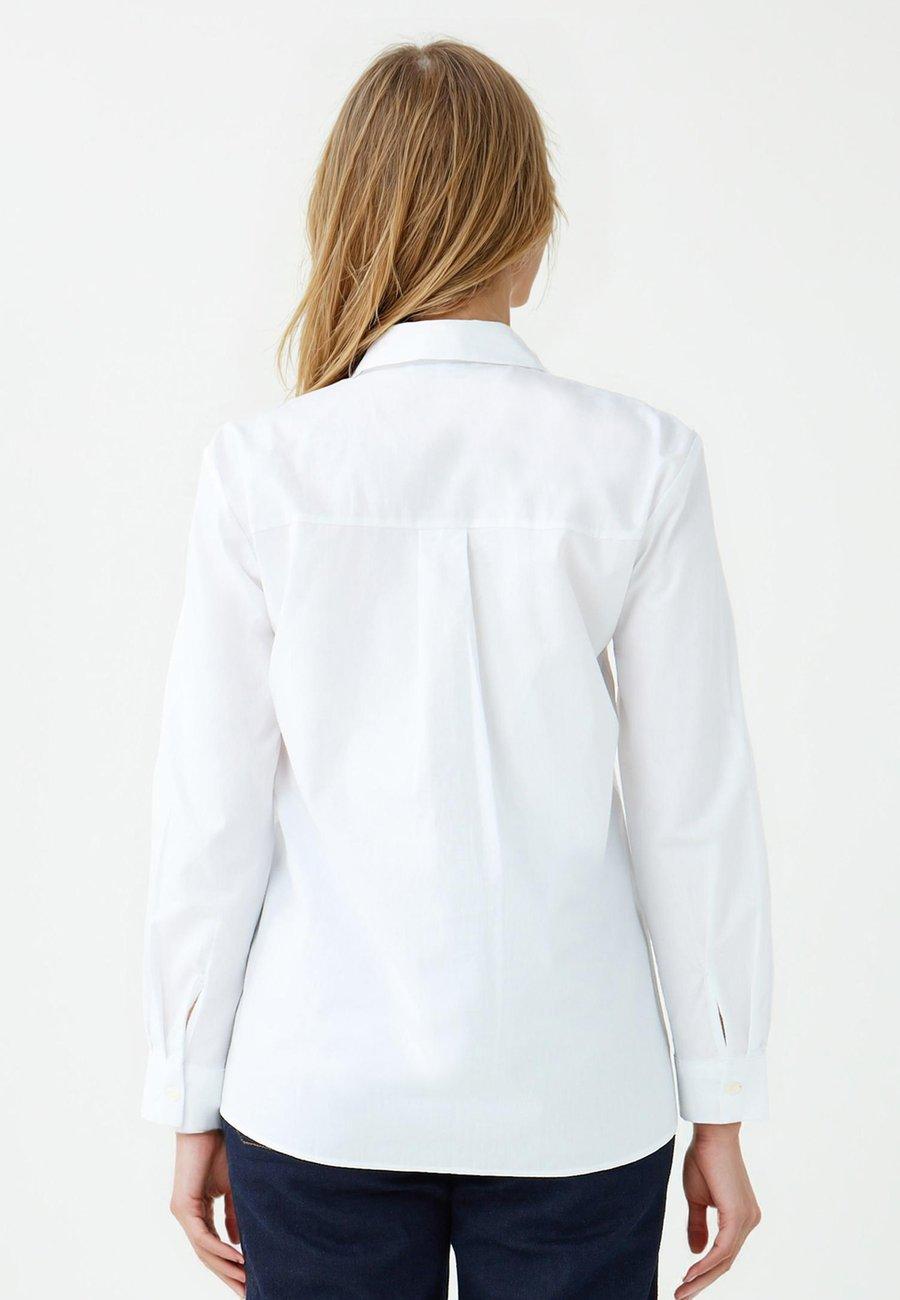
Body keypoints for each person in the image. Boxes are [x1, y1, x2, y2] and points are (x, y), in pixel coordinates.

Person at [142, 39, 771, 1300]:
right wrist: (719, 1095)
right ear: (526, 231)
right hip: (575, 1095)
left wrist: (189, 1088)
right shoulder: (639, 461)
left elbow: (210, 816)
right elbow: (693, 810)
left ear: (352, 221)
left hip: (316, 1091)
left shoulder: (263, 469)